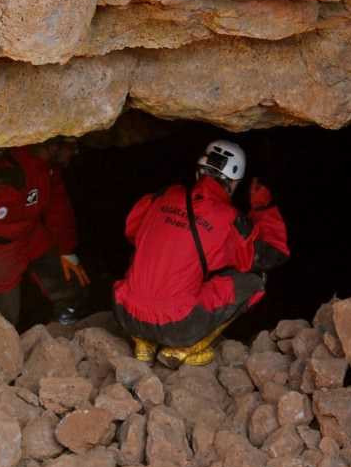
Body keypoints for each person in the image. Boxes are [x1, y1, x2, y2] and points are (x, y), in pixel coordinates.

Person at [113, 139, 289, 366]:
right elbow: (274, 254)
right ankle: (182, 349)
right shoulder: (228, 219)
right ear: (234, 183)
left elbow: (131, 232)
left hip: (125, 313)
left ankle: (143, 343)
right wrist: (262, 207)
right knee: (253, 280)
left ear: (199, 171)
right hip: (178, 325)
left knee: (149, 253)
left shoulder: (163, 195)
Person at [0, 137, 89, 326]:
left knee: (70, 281)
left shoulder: (48, 167)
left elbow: (58, 206)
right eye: (71, 147)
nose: (75, 152)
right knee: (3, 320)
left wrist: (66, 249)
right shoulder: (7, 181)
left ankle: (68, 327)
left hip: (30, 233)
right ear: (52, 145)